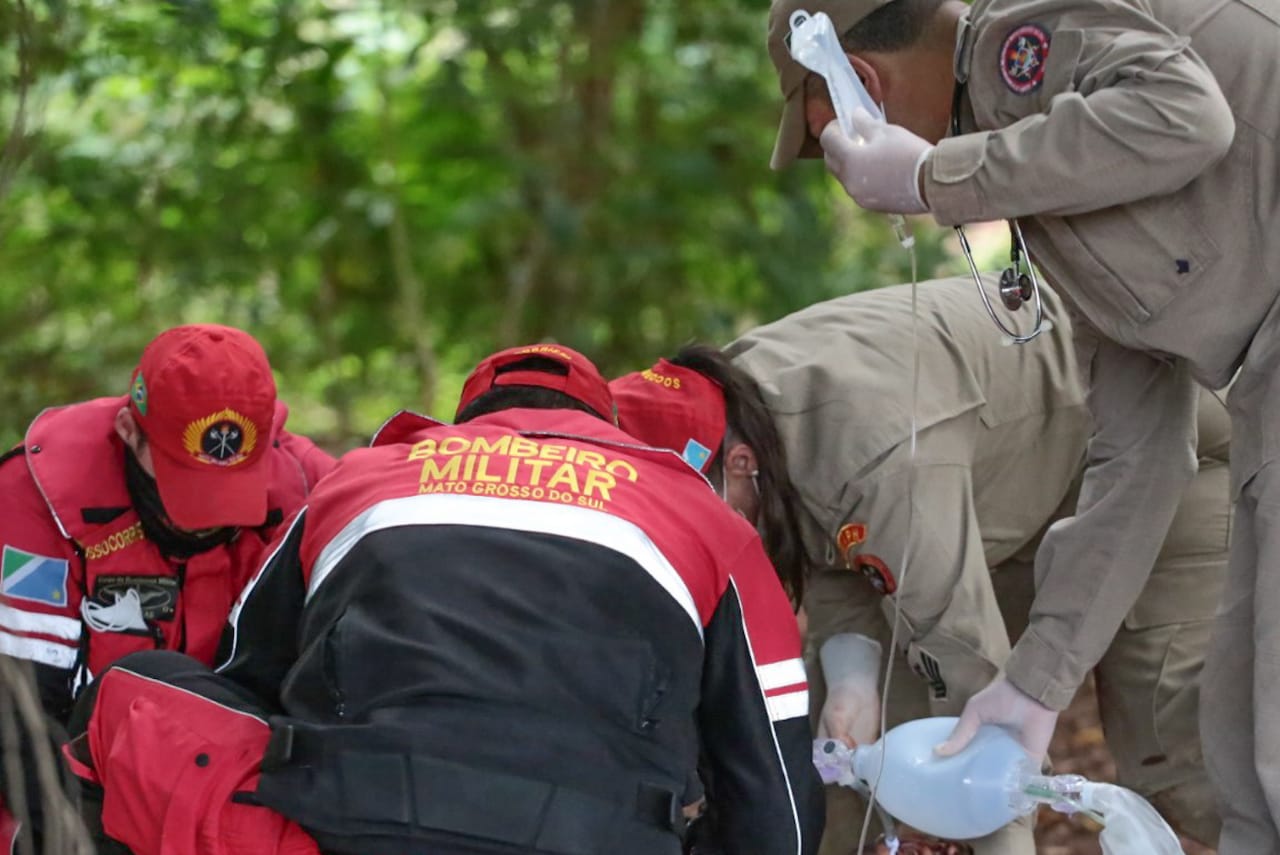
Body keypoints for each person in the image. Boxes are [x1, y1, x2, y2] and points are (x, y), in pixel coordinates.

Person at [766, 0, 1277, 850]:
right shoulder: (1055, 197)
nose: (834, 166)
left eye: (824, 137)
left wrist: (937, 179)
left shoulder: (1017, 45)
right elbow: (1141, 449)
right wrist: (1037, 685)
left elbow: (1189, 115)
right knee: (1241, 729)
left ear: (859, 86)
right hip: (1256, 392)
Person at [62, 343, 824, 855]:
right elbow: (778, 797)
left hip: (361, 822)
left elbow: (245, 677)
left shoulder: (360, 478)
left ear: (467, 422)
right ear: (603, 428)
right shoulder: (703, 518)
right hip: (600, 834)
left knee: (137, 691)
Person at [610, 276, 1230, 854]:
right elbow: (833, 541)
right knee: (845, 771)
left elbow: (974, 673)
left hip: (1156, 453)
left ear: (741, 465)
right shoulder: (730, 405)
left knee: (1178, 769)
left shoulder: (872, 449)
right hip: (1002, 489)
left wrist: (990, 822)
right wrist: (851, 678)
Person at [0, 323, 335, 849]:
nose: (207, 522)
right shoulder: (33, 502)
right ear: (129, 431)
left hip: (238, 788)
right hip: (77, 788)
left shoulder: (310, 486)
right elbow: (17, 720)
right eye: (185, 485)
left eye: (232, 488)